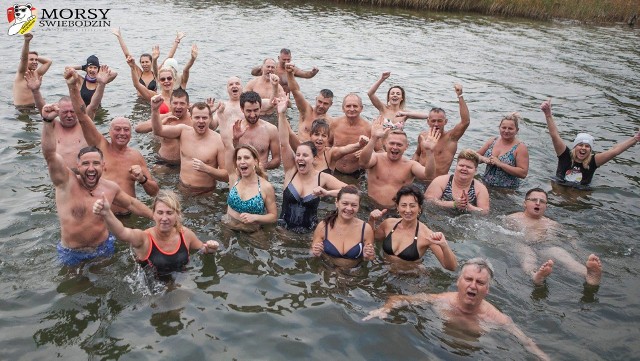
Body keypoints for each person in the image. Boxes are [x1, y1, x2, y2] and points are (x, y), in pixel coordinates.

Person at [363, 258, 550, 361]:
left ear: (487, 289)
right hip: (435, 348)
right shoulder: (441, 301)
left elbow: (526, 342)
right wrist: (385, 309)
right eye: (468, 280)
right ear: (458, 282)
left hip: (474, 355)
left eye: (480, 282)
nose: (473, 286)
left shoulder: (497, 319)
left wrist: (543, 357)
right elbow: (400, 299)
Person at [41, 103, 153, 266]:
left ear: (103, 166)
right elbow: (50, 154)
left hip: (104, 248)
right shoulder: (65, 183)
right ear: (78, 167)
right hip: (72, 252)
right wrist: (47, 122)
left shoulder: (110, 188)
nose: (91, 168)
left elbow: (132, 203)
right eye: (86, 164)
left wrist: (157, 217)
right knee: (73, 289)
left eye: (96, 163)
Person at [65, 66, 159, 216]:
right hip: (102, 217)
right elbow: (82, 116)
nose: (122, 133)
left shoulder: (135, 156)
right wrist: (72, 87)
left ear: (130, 134)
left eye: (126, 130)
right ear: (109, 132)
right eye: (117, 129)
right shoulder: (100, 146)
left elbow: (154, 192)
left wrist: (142, 179)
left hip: (128, 216)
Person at [92, 189, 219, 280]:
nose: (164, 218)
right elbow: (122, 233)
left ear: (178, 215)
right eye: (160, 212)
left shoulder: (185, 234)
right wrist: (107, 213)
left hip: (180, 280)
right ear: (153, 214)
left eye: (169, 213)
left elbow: (203, 249)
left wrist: (210, 249)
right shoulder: (144, 238)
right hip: (151, 288)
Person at [276, 97, 347, 233]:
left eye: (305, 155)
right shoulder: (291, 170)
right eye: (298, 155)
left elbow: (352, 191)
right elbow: (284, 142)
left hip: (309, 235)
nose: (300, 159)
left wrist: (328, 192)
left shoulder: (322, 178)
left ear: (314, 158)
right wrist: (282, 114)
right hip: (282, 233)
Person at [506, 188, 603, 286]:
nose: (538, 203)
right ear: (525, 203)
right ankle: (535, 275)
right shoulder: (512, 219)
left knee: (564, 257)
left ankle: (590, 274)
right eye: (534, 200)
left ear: (546, 206)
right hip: (523, 244)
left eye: (542, 201)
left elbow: (569, 236)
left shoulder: (552, 224)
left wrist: (575, 246)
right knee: (528, 257)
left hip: (546, 247)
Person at [541, 99, 640, 188]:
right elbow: (555, 136)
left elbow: (614, 151)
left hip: (580, 191)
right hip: (560, 185)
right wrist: (548, 115)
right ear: (575, 147)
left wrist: (635, 138)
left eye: (587, 146)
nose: (583, 148)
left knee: (575, 197)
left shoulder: (593, 161)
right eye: (580, 145)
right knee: (554, 189)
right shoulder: (565, 155)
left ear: (590, 150)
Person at [218, 104, 278, 232]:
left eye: (246, 158)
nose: (242, 162)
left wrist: (255, 217)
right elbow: (227, 145)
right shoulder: (234, 178)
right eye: (239, 159)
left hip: (252, 232)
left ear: (255, 161)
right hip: (228, 228)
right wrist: (220, 115)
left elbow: (273, 217)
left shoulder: (266, 186)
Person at [151, 95, 227, 194]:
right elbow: (158, 131)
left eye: (204, 117)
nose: (201, 121)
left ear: (210, 118)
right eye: (197, 117)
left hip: (205, 193)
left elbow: (226, 176)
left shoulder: (218, 141)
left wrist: (207, 169)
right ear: (191, 118)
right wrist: (155, 110)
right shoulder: (183, 131)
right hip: (182, 188)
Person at [369, 186, 456, 270]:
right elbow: (371, 238)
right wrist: (372, 220)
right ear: (397, 207)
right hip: (386, 271)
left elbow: (451, 267)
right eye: (403, 205)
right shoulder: (388, 224)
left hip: (411, 279)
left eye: (412, 206)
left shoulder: (427, 235)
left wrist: (444, 245)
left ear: (419, 208)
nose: (407, 210)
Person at [359, 119, 437, 209]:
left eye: (399, 145)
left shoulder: (410, 165)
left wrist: (430, 152)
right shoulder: (376, 158)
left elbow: (429, 176)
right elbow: (363, 163)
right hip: (370, 206)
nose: (395, 147)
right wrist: (373, 138)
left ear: (406, 147)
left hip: (396, 210)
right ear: (385, 143)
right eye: (392, 143)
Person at [405, 84, 470, 179]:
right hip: (418, 179)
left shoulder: (451, 138)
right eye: (433, 121)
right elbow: (417, 154)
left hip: (436, 182)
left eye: (439, 121)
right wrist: (409, 169)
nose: (436, 124)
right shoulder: (422, 136)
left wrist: (460, 96)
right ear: (428, 122)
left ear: (445, 122)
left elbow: (465, 121)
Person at [311, 185, 375, 268]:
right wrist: (315, 252)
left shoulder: (366, 229)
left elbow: (371, 258)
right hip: (328, 272)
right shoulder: (323, 226)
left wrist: (367, 256)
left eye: (354, 205)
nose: (349, 208)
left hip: (354, 275)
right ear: (337, 203)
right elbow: (312, 253)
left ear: (359, 206)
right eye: (345, 203)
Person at [135, 88, 192, 166]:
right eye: (175, 103)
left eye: (182, 103)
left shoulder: (194, 119)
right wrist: (161, 123)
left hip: (186, 163)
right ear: (170, 104)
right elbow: (138, 129)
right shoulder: (163, 117)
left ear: (188, 105)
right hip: (163, 161)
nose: (178, 106)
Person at [424, 149, 490, 214]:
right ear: (456, 166)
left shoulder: (480, 189)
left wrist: (469, 207)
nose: (464, 169)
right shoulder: (440, 181)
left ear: (475, 170)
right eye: (461, 165)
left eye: (469, 167)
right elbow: (428, 200)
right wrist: (453, 204)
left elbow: (484, 212)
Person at [476, 112, 529, 188]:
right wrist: (484, 159)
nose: (506, 131)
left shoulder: (520, 148)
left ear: (517, 130)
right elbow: (474, 156)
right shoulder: (492, 141)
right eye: (503, 128)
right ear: (499, 128)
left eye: (510, 128)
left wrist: (501, 164)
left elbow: (523, 173)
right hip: (485, 183)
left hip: (507, 190)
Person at [232, 91, 281, 170]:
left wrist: (263, 166)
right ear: (242, 109)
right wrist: (235, 140)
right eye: (249, 111)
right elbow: (230, 160)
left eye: (256, 110)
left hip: (261, 177)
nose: (252, 115)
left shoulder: (271, 130)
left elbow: (277, 160)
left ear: (260, 108)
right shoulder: (234, 129)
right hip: (241, 176)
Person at [285, 63, 333, 140]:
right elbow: (295, 91)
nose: (321, 105)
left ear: (331, 104)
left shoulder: (330, 122)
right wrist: (289, 73)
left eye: (325, 104)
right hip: (299, 148)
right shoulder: (306, 110)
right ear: (316, 99)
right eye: (320, 102)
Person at [329, 93, 372, 178]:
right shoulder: (335, 124)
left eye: (355, 106)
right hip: (334, 170)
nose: (352, 109)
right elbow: (327, 144)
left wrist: (368, 153)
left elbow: (380, 151)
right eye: (348, 106)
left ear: (361, 108)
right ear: (343, 108)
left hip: (357, 173)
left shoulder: (368, 128)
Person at [250, 48, 319, 93]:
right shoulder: (272, 68)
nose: (286, 62)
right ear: (279, 58)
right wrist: (262, 67)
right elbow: (253, 73)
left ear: (291, 58)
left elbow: (306, 75)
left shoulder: (292, 69)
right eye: (284, 59)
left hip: (285, 100)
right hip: (272, 98)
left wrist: (313, 72)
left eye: (288, 59)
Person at [111, 27, 157, 93]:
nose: (144, 64)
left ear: (151, 62)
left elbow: (169, 57)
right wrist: (119, 36)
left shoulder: (155, 74)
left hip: (152, 101)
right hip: (139, 101)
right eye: (142, 62)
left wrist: (177, 41)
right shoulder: (138, 73)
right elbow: (127, 55)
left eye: (147, 62)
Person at [13, 33, 52, 109]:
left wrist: (34, 56)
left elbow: (49, 61)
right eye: (31, 60)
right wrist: (26, 42)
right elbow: (24, 59)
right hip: (22, 109)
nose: (35, 62)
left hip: (35, 107)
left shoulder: (37, 73)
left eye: (36, 60)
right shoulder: (21, 74)